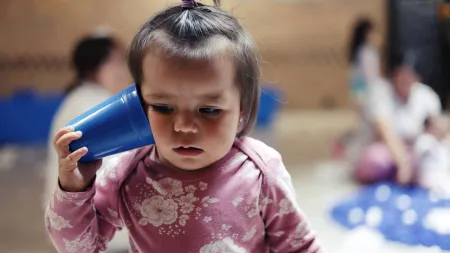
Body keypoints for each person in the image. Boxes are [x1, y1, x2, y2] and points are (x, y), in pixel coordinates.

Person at [44, 1, 322, 252]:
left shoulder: (260, 172)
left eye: (209, 110)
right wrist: (74, 190)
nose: (184, 126)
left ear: (241, 111)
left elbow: (299, 247)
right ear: (140, 106)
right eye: (163, 107)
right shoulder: (126, 175)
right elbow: (79, 248)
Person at [43, 35, 130, 251]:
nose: (124, 69)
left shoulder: (84, 98)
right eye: (117, 61)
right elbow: (111, 170)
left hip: (81, 228)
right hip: (98, 232)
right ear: (95, 68)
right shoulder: (92, 106)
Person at [354, 50, 442, 185]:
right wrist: (403, 163)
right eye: (401, 74)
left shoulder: (426, 95)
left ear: (417, 78)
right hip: (387, 149)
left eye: (409, 75)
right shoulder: (380, 92)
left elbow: (438, 127)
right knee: (375, 160)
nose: (404, 79)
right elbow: (385, 131)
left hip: (414, 150)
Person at [414, 116, 450, 194]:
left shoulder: (442, 142)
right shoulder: (424, 140)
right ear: (429, 127)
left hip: (443, 178)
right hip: (431, 181)